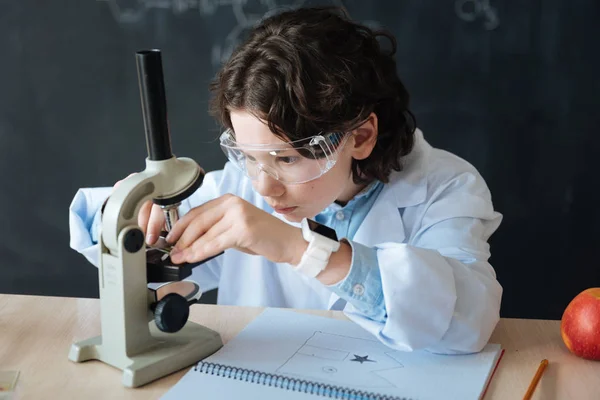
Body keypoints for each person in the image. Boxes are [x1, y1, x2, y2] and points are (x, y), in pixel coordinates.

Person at [69, 6, 503, 354]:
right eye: (247, 156)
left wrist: (300, 249)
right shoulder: (240, 186)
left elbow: (468, 324)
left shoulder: (447, 189)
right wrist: (125, 210)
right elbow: (105, 225)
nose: (263, 186)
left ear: (362, 136)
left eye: (286, 159)